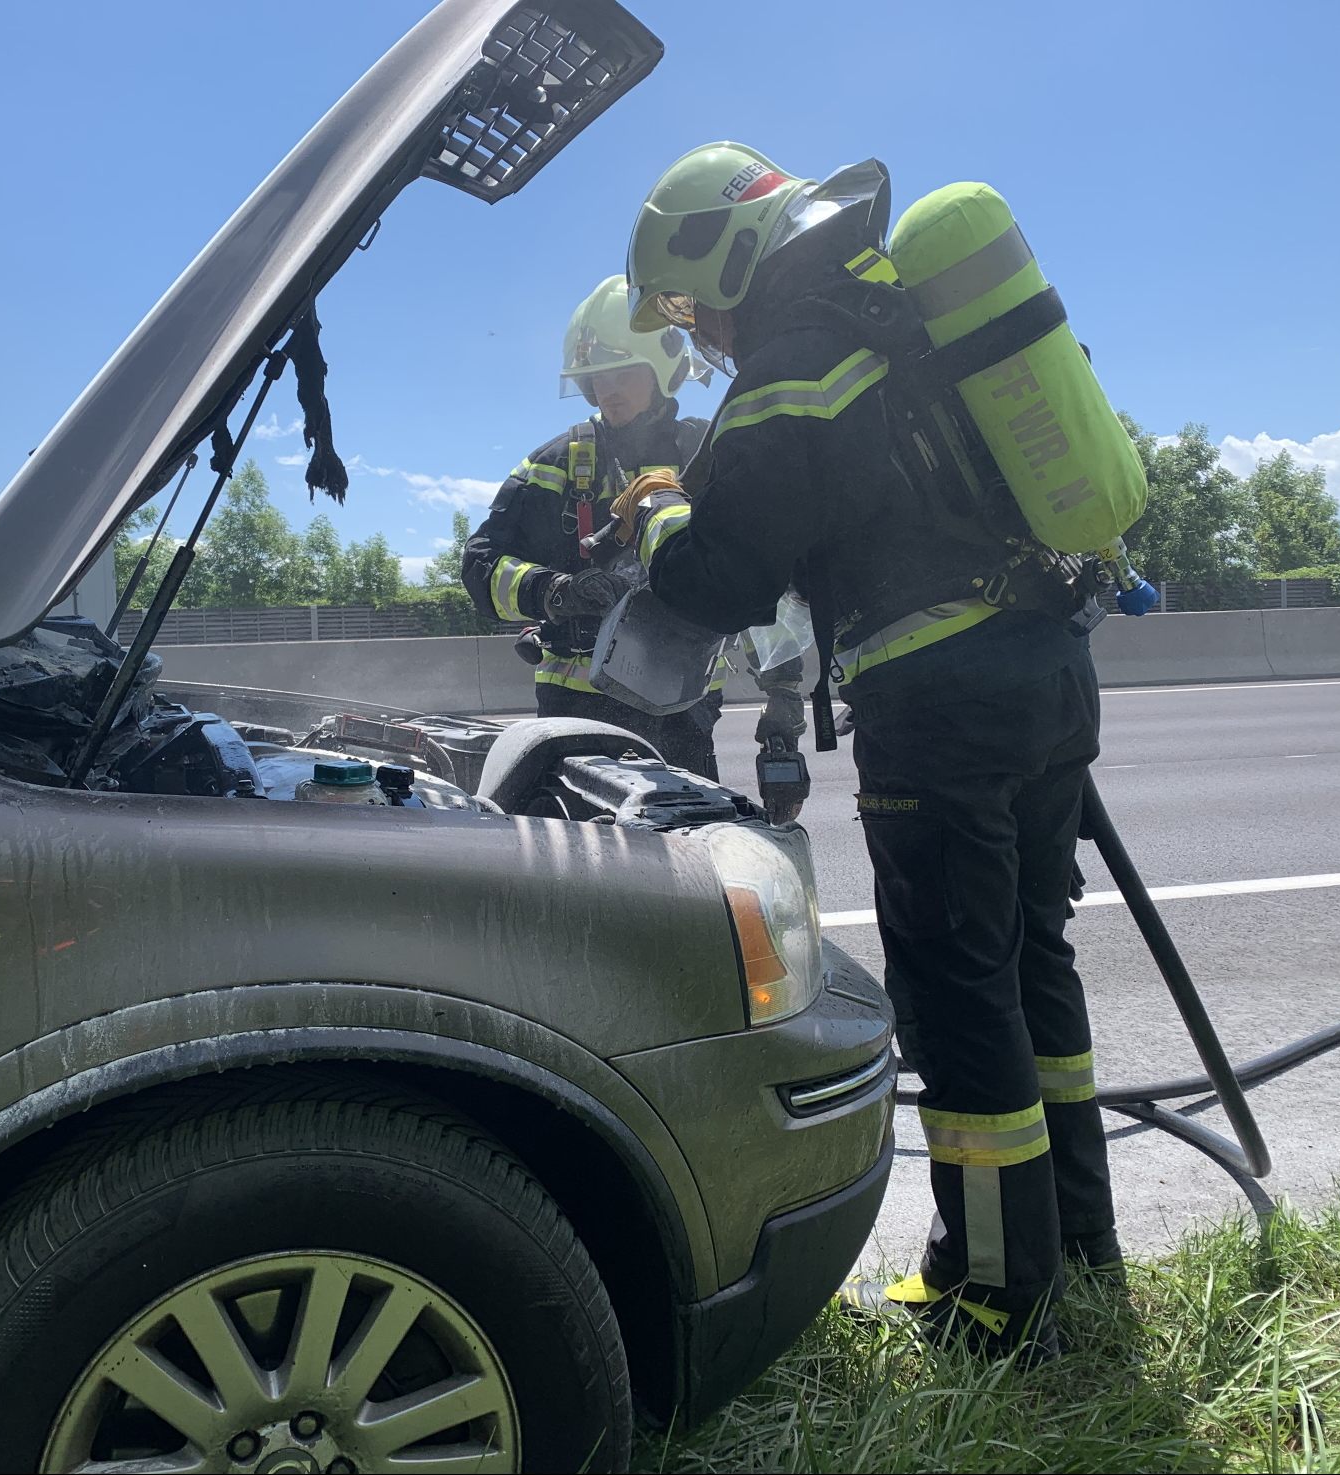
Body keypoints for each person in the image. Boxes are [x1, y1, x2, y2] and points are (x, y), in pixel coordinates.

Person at [614, 143, 1119, 1359]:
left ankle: (995, 1300)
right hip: (1048, 673)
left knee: (956, 996)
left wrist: (667, 505)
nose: (699, 331)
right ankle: (1081, 1247)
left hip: (935, 700)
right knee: (1033, 964)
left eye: (687, 303)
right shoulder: (907, 314)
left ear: (726, 256)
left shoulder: (794, 361)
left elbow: (719, 576)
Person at [462, 276, 806, 789]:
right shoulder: (556, 462)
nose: (607, 389)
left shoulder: (707, 454)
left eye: (622, 371)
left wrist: (782, 692)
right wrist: (554, 592)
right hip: (574, 706)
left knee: (686, 852)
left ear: (661, 369)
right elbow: (481, 565)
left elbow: (752, 575)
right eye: (596, 375)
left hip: (683, 706)